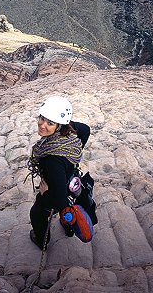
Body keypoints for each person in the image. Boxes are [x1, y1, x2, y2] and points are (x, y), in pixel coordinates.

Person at [28, 95, 90, 250]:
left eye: (50, 123)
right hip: (72, 179)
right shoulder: (70, 134)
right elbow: (86, 130)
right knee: (69, 203)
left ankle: (42, 241)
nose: (42, 125)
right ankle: (68, 227)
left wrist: (46, 193)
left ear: (59, 125)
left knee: (37, 213)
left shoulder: (52, 159)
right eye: (42, 119)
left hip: (56, 185)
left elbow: (59, 200)